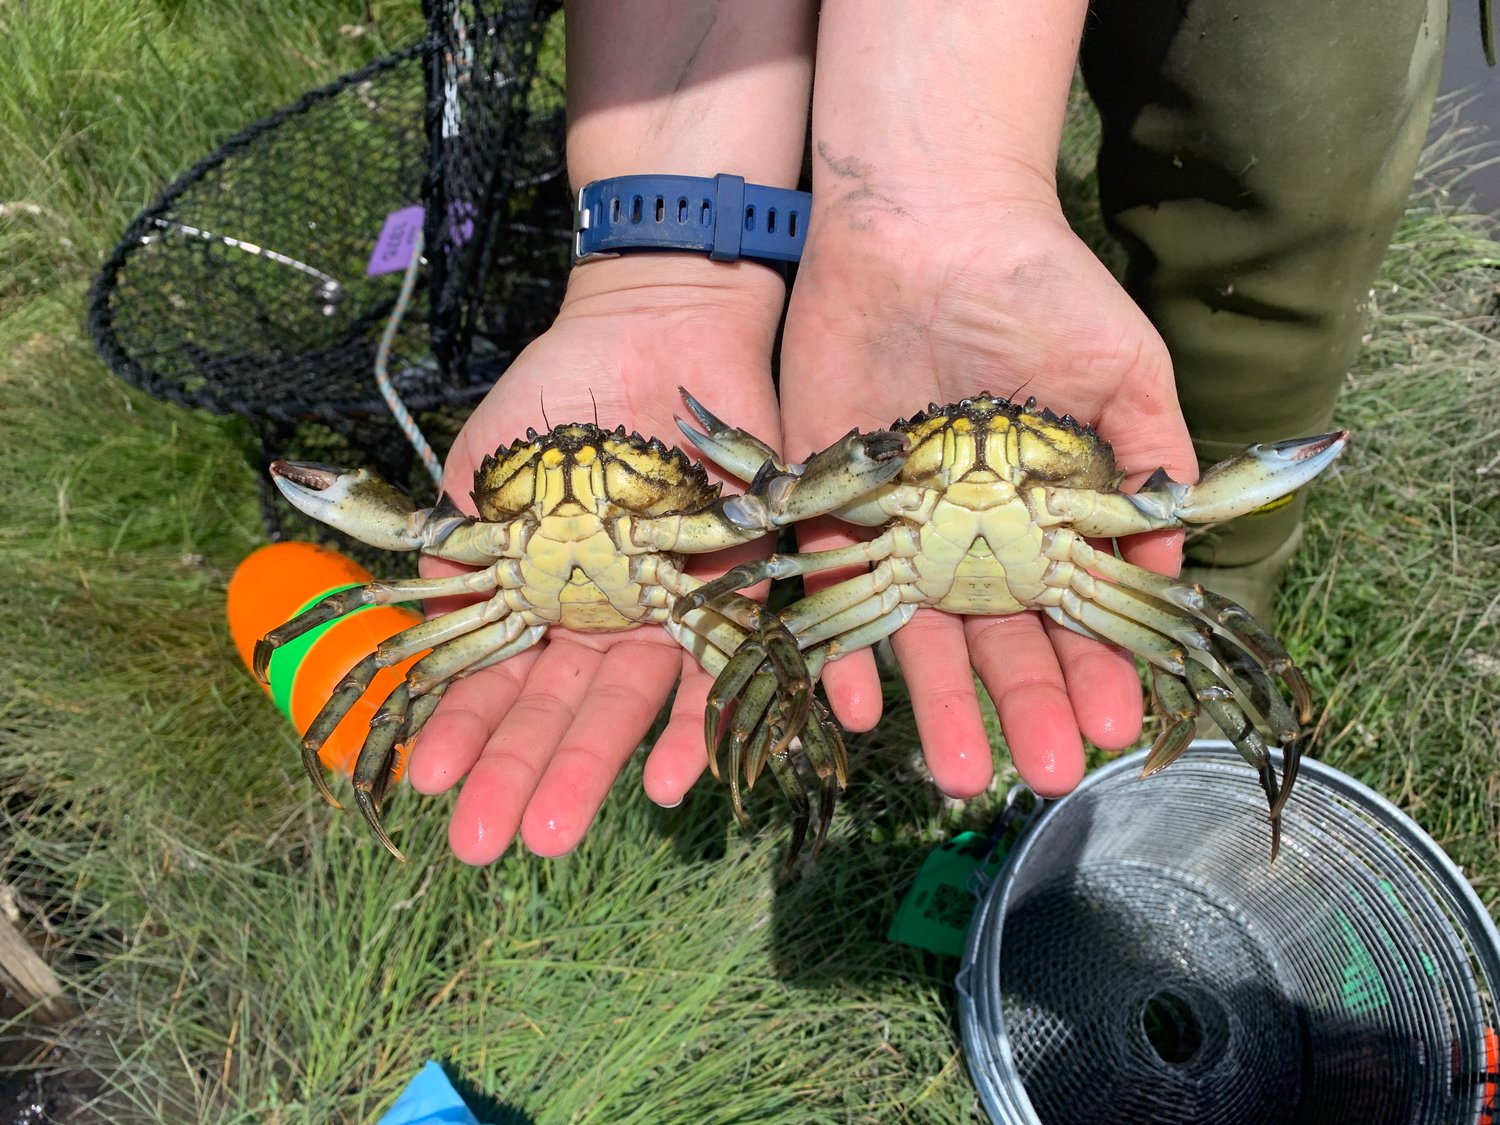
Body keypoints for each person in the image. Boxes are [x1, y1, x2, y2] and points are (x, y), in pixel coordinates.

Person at [403, 0, 1447, 866]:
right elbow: (781, 506)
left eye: (1015, 435)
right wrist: (661, 272)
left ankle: (1217, 721)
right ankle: (845, 801)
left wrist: (950, 188)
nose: (980, 449)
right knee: (777, 655)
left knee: (1277, 193)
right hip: (943, 558)